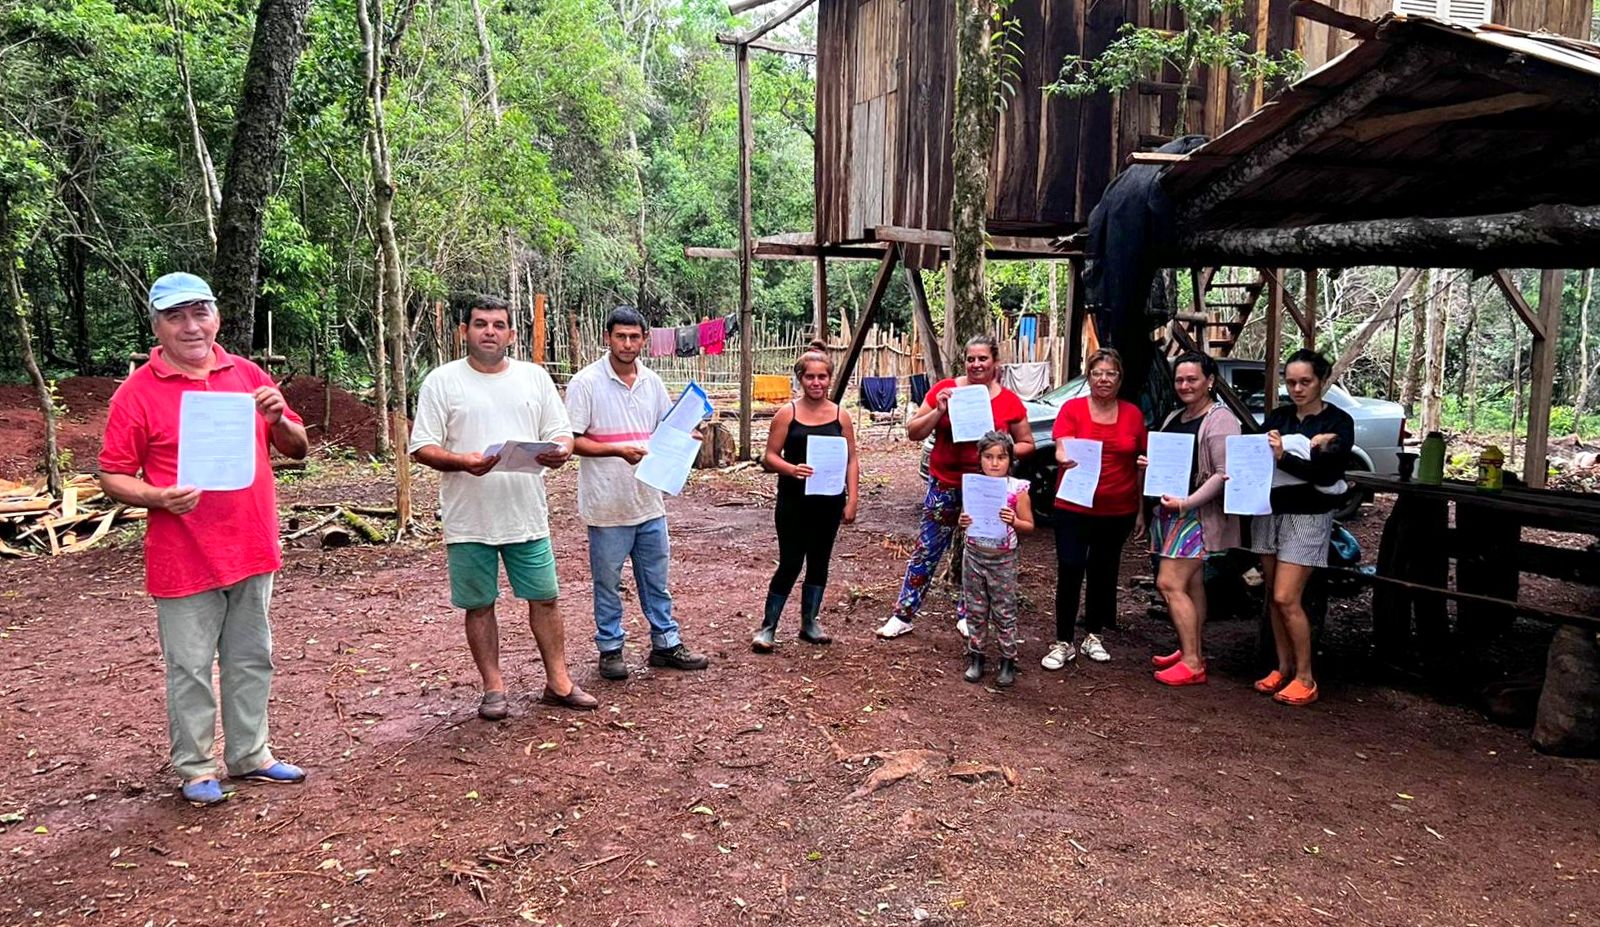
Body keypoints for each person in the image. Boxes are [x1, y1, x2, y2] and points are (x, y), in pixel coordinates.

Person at [97, 272, 309, 806]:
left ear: (215, 315)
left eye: (200, 313)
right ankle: (195, 768)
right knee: (189, 666)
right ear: (157, 325)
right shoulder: (137, 393)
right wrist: (157, 497)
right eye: (176, 316)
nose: (191, 327)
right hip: (183, 554)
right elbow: (112, 475)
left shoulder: (247, 374)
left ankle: (251, 755)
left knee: (252, 656)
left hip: (251, 543)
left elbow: (297, 448)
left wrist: (279, 416)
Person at [409, 295, 597, 721]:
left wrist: (561, 451)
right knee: (479, 604)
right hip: (469, 517)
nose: (489, 331)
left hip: (525, 513)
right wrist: (463, 461)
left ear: (512, 334)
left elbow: (560, 432)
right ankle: (493, 687)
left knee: (545, 598)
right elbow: (422, 446)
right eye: (480, 324)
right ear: (464, 331)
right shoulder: (443, 381)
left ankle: (559, 681)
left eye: (498, 325)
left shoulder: (533, 378)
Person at [566, 306, 709, 679]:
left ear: (645, 339)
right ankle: (611, 649)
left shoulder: (653, 382)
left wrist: (686, 436)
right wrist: (616, 450)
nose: (627, 344)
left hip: (649, 500)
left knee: (655, 579)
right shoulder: (585, 383)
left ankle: (665, 642)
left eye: (634, 337)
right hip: (606, 504)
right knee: (608, 581)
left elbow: (665, 429)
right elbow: (572, 441)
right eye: (620, 336)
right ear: (607, 337)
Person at [877, 335, 1034, 640]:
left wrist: (1003, 449)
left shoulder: (1009, 401)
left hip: (985, 489)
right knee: (927, 548)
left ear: (995, 363)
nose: (976, 364)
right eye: (971, 359)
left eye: (983, 359)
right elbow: (912, 432)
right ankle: (903, 614)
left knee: (976, 551)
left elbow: (1028, 443)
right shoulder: (945, 390)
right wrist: (938, 411)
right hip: (945, 482)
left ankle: (968, 614)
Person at [1250, 349, 1353, 707]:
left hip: (1308, 516)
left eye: (1305, 381)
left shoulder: (1339, 422)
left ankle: (1306, 677)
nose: (1297, 388)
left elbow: (1327, 473)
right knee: (1272, 598)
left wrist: (1285, 457)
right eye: (1291, 382)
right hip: (1269, 512)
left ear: (1322, 380)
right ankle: (1282, 667)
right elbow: (1259, 460)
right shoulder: (1279, 417)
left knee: (1286, 596)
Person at [753, 341, 860, 652]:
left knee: (819, 560)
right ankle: (768, 626)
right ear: (800, 379)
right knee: (790, 561)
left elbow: (852, 459)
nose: (816, 383)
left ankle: (809, 622)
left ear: (830, 379)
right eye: (810, 377)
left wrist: (852, 498)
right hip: (794, 501)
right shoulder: (788, 414)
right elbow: (768, 457)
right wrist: (791, 469)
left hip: (828, 502)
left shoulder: (841, 416)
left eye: (822, 377)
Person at [1045, 347, 1147, 668]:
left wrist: (1142, 509)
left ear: (1120, 379)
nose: (1104, 379)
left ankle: (1093, 635)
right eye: (1097, 373)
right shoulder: (1072, 409)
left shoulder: (1133, 414)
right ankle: (1063, 641)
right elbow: (1061, 445)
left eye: (1111, 374)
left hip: (1118, 509)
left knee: (1104, 572)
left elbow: (1142, 461)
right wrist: (1063, 457)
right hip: (1074, 506)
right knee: (1071, 566)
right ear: (1088, 377)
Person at [1144, 352, 1241, 687]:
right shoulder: (1177, 415)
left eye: (1192, 379)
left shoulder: (1220, 420)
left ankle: (1192, 662)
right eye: (1180, 380)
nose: (1184, 385)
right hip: (1170, 512)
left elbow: (1223, 474)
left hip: (1195, 516)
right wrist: (1151, 465)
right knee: (1192, 583)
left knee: (1169, 583)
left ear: (1210, 381)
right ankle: (1192, 648)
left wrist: (1187, 503)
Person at [957, 431, 1034, 687]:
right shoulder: (973, 486)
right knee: (976, 609)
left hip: (1003, 560)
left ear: (1010, 459)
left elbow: (1029, 525)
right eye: (988, 457)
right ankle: (977, 656)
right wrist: (962, 522)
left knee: (1004, 610)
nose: (994, 463)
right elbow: (966, 518)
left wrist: (1014, 521)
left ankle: (1007, 659)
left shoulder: (1018, 489)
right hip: (975, 556)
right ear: (979, 459)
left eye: (1001, 457)